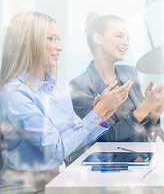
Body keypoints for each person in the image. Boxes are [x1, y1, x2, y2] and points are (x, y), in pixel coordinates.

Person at [0, 12, 129, 192]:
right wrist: (97, 112)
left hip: (56, 182)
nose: (59, 47)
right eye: (52, 39)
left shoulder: (57, 86)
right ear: (28, 42)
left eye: (58, 39)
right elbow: (57, 149)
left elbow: (69, 140)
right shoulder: (14, 94)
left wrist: (99, 116)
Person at [67, 13, 164, 163]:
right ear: (98, 38)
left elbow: (142, 130)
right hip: (110, 168)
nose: (126, 43)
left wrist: (153, 116)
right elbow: (107, 137)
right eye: (119, 36)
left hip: (144, 161)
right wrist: (145, 106)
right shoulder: (79, 85)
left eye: (128, 38)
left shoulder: (129, 73)